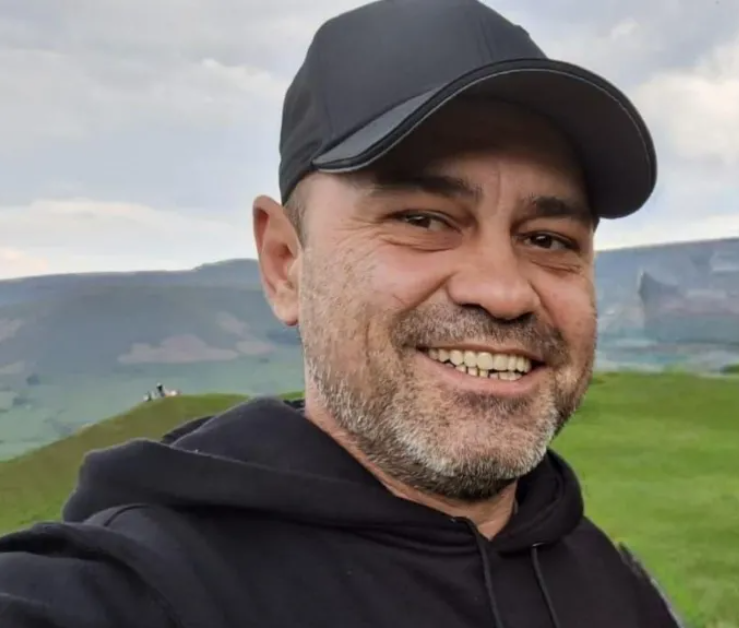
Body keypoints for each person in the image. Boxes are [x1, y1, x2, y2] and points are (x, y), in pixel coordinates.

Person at [0, 1, 683, 626]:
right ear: (285, 262)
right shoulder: (137, 588)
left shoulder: (614, 586)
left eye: (548, 240)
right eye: (423, 219)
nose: (504, 293)